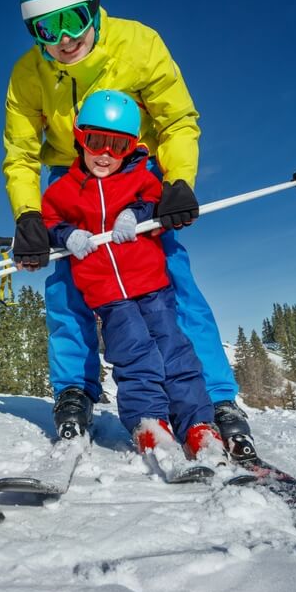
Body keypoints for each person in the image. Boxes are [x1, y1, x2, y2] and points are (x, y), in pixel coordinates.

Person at [3, 0, 255, 459]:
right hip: (69, 181)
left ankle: (217, 398)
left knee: (168, 280)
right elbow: (21, 153)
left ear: (95, 8)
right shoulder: (28, 74)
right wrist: (30, 216)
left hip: (135, 175)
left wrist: (178, 180)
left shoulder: (139, 44)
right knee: (68, 284)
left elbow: (178, 119)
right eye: (45, 30)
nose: (64, 40)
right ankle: (74, 390)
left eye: (72, 20)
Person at [41, 90, 226, 465]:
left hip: (153, 288)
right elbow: (48, 221)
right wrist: (66, 235)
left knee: (176, 353)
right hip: (108, 296)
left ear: (131, 147)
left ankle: (198, 423)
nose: (105, 154)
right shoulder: (64, 190)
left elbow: (156, 203)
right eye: (96, 142)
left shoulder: (141, 178)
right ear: (80, 137)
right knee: (133, 358)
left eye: (118, 145)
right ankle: (150, 423)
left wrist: (135, 214)